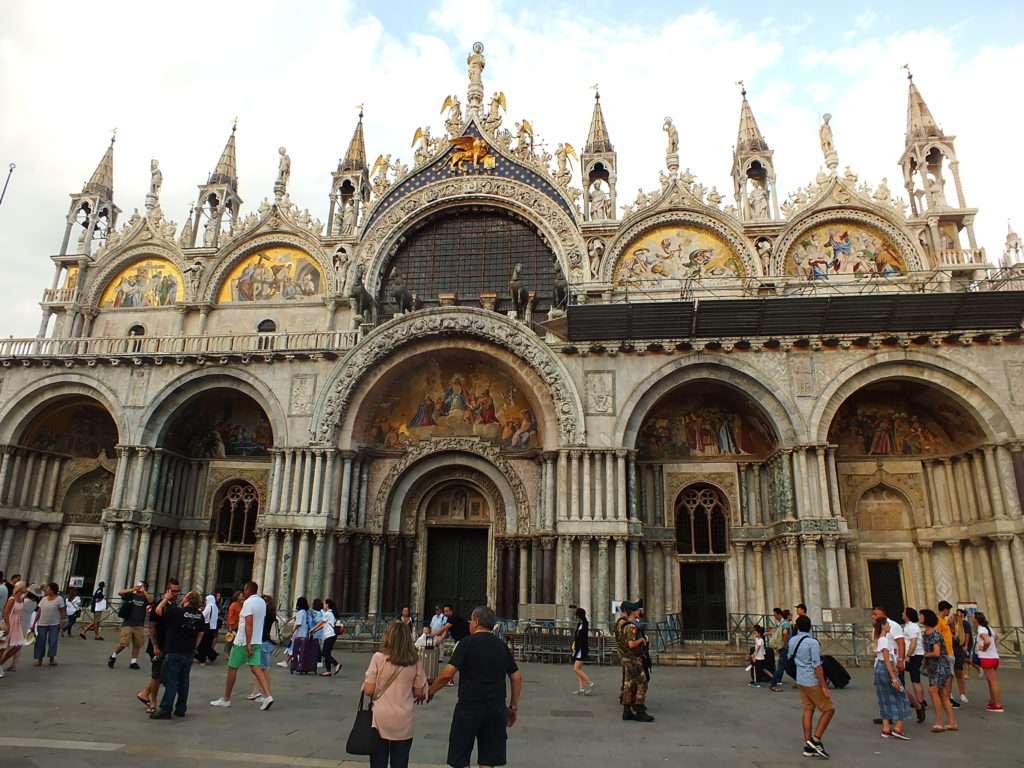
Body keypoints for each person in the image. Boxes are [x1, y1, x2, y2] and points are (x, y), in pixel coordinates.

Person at [427, 606, 522, 768]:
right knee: (487, 761)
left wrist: (430, 691)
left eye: (471, 620)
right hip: (495, 708)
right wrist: (513, 707)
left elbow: (447, 674)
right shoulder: (501, 646)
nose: (470, 623)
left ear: (476, 621)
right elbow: (516, 676)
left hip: (469, 708)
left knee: (460, 758)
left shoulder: (466, 644)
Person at [362, 620, 428, 768]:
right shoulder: (414, 661)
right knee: (400, 762)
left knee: (378, 762)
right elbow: (419, 691)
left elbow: (368, 690)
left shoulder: (378, 658)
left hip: (380, 719)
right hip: (403, 718)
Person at [210, 581, 274, 710]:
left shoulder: (248, 603)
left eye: (244, 590)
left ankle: (226, 699)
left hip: (243, 642)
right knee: (256, 667)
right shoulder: (262, 602)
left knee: (232, 668)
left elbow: (249, 623)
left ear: (248, 590)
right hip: (257, 640)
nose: (243, 593)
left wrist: (248, 644)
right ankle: (267, 696)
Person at [151, 589, 205, 719]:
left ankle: (165, 709)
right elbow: (201, 633)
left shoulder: (177, 612)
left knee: (172, 681)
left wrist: (166, 598)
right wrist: (194, 647)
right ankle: (181, 708)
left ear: (187, 600)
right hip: (189, 652)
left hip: (174, 650)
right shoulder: (199, 615)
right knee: (184, 681)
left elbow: (158, 611)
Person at [788, 614, 833, 759]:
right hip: (811, 680)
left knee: (808, 710)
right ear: (810, 627)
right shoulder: (813, 643)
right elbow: (817, 665)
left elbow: (790, 657)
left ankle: (808, 745)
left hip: (800, 679)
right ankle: (816, 740)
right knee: (829, 709)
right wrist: (824, 686)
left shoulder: (793, 641)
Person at [139, 579, 179, 714]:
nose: (176, 594)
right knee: (157, 675)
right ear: (166, 591)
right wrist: (155, 645)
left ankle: (144, 693)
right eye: (173, 591)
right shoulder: (158, 605)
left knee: (161, 675)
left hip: (168, 646)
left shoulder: (174, 606)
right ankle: (153, 703)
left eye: (177, 591)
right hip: (158, 645)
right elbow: (152, 627)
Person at [614, 600, 653, 722]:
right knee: (642, 682)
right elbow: (631, 644)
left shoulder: (620, 623)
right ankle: (639, 709)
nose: (638, 612)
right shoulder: (630, 626)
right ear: (631, 612)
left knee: (628, 684)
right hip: (632, 658)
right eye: (636, 610)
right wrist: (641, 641)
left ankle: (627, 711)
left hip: (624, 657)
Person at [873, 618, 910, 739]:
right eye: (888, 624)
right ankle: (898, 728)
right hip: (886, 668)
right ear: (883, 626)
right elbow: (886, 659)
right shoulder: (884, 640)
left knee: (884, 697)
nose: (889, 626)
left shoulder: (880, 639)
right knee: (900, 696)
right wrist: (894, 677)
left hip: (880, 668)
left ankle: (886, 727)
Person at [921, 608, 957, 732]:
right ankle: (952, 722)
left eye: (921, 616)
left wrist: (925, 655)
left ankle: (939, 722)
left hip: (940, 666)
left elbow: (936, 653)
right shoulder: (925, 633)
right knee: (942, 694)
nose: (919, 618)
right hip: (933, 667)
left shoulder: (935, 634)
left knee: (933, 691)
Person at [108, 581, 151, 670]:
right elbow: (120, 592)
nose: (139, 587)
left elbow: (151, 600)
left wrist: (144, 592)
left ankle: (133, 662)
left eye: (141, 586)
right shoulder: (131, 595)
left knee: (137, 644)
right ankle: (113, 656)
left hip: (139, 624)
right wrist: (133, 589)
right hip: (128, 623)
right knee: (124, 643)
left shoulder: (145, 597)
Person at [248, 594, 278, 702]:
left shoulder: (263, 614)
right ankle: (256, 692)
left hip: (261, 642)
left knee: (262, 670)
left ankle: (266, 694)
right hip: (267, 642)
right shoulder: (272, 613)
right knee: (260, 669)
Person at [30, 582, 66, 667]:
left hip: (54, 623)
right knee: (40, 641)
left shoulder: (59, 599)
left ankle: (51, 659)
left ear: (53, 590)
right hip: (42, 623)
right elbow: (39, 611)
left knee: (53, 641)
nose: (46, 590)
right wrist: (34, 622)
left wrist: (62, 623)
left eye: (48, 588)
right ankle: (39, 659)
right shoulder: (44, 599)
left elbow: (62, 611)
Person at [973, 611, 1003, 712]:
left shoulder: (981, 629)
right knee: (990, 681)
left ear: (976, 620)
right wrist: (994, 647)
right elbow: (998, 636)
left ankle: (998, 705)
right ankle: (992, 702)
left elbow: (987, 641)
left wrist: (984, 649)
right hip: (994, 657)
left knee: (993, 682)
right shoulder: (988, 628)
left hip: (987, 658)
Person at [902, 607, 927, 723]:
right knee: (915, 678)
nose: (902, 614)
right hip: (914, 655)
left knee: (915, 679)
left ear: (907, 615)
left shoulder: (912, 626)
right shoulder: (909, 626)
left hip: (914, 655)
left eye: (904, 612)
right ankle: (920, 701)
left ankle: (920, 702)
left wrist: (908, 655)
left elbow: (913, 642)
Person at [1, 581, 30, 673]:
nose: (26, 588)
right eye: (24, 587)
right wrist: (7, 625)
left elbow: (32, 592)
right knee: (3, 647)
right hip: (10, 622)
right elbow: (5, 612)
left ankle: (1, 663)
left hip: (17, 623)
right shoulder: (12, 599)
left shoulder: (22, 598)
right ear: (20, 588)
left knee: (18, 645)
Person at [936, 601, 957, 710]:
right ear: (944, 609)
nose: (949, 612)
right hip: (945, 653)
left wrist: (952, 625)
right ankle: (947, 698)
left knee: (949, 676)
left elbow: (953, 636)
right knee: (947, 676)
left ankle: (947, 697)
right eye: (948, 610)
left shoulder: (945, 621)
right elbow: (937, 637)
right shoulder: (938, 621)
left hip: (950, 652)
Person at [311, 598, 340, 677]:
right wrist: (315, 630)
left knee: (324, 653)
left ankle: (336, 664)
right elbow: (323, 625)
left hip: (330, 635)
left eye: (324, 604)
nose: (323, 605)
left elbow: (321, 623)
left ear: (327, 605)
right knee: (327, 653)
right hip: (330, 635)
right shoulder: (330, 613)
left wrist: (313, 629)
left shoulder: (328, 614)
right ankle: (328, 671)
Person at [571, 607, 594, 695]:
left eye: (577, 615)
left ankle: (590, 683)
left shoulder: (585, 624)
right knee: (578, 669)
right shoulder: (579, 624)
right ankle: (581, 689)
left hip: (582, 649)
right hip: (578, 648)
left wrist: (578, 647)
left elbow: (583, 639)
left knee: (576, 668)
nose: (576, 617)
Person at [768, 608, 792, 692]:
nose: (774, 616)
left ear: (779, 614)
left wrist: (783, 645)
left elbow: (784, 633)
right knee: (781, 667)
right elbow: (784, 633)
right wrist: (784, 645)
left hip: (784, 648)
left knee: (787, 666)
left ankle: (800, 682)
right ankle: (773, 684)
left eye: (775, 614)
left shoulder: (783, 623)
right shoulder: (784, 623)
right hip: (785, 648)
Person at [952, 608, 972, 705]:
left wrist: (966, 645)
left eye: (959, 614)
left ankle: (962, 694)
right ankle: (949, 694)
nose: (957, 615)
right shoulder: (951, 625)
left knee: (959, 673)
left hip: (959, 650)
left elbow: (967, 635)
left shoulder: (965, 624)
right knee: (950, 674)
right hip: (951, 651)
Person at [195, 593, 219, 664]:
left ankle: (205, 657)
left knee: (203, 644)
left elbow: (203, 615)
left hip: (207, 627)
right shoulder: (215, 607)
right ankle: (211, 655)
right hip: (213, 627)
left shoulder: (209, 606)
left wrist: (199, 611)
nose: (205, 601)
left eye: (206, 600)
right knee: (207, 644)